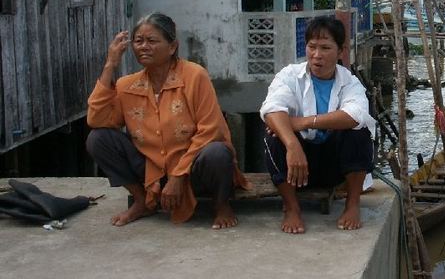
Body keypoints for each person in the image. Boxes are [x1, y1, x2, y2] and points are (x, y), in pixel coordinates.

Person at [86, 13, 248, 229]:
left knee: (217, 151)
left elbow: (211, 130)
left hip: (193, 170)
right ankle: (142, 200)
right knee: (98, 139)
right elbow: (97, 120)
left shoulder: (194, 76)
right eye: (138, 41)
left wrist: (178, 176)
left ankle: (221, 205)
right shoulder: (127, 85)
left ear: (172, 47)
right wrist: (110, 65)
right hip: (150, 171)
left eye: (152, 41)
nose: (144, 47)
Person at [260, 16, 375, 234]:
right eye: (312, 47)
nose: (317, 55)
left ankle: (352, 205)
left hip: (333, 166)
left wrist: (302, 122)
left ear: (340, 52)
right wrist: (292, 144)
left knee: (359, 132)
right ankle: (292, 208)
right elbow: (271, 109)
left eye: (325, 48)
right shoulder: (290, 75)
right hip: (297, 163)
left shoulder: (349, 82)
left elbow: (355, 114)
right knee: (274, 136)